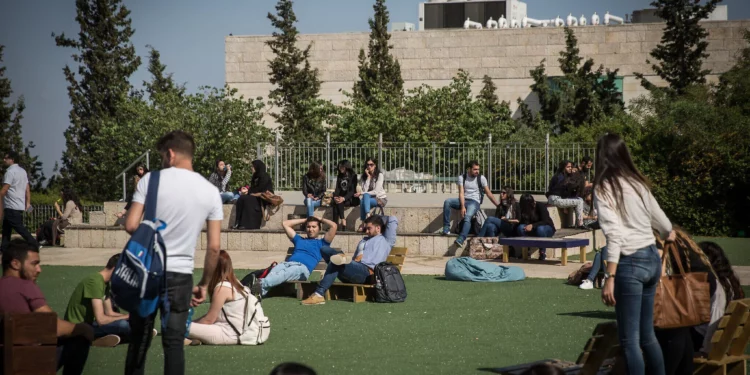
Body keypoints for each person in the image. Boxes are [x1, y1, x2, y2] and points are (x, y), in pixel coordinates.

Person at [123, 130, 224, 375]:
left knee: (139, 340)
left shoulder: (150, 180)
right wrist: (204, 283)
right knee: (174, 343)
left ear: (169, 154)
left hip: (148, 273)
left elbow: (131, 225)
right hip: (180, 277)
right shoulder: (210, 191)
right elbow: (214, 247)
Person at [595, 133, 674, 375]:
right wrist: (666, 233)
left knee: (630, 340)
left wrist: (610, 277)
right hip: (651, 257)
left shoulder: (604, 188)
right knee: (647, 336)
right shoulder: (638, 184)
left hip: (630, 264)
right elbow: (665, 225)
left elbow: (614, 235)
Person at [0, 238, 94, 375]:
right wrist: (83, 328)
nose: (39, 270)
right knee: (79, 337)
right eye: (34, 264)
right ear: (15, 264)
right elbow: (51, 326)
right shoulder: (26, 286)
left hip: (4, 362)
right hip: (28, 363)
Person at [301, 215, 398, 305]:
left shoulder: (386, 241)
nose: (366, 231)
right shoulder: (363, 240)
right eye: (365, 228)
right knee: (324, 249)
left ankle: (318, 294)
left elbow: (393, 219)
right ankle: (341, 259)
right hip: (354, 269)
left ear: (378, 228)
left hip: (367, 273)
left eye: (369, 228)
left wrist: (378, 218)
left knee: (336, 261)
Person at [64, 253, 144, 347]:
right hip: (78, 328)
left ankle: (132, 333)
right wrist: (126, 317)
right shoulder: (95, 281)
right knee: (123, 325)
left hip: (90, 324)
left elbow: (110, 313)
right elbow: (101, 320)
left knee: (128, 322)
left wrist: (131, 316)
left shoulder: (105, 283)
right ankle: (93, 339)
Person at [252, 216, 338, 298]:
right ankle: (259, 292)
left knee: (285, 273)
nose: (311, 229)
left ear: (319, 229)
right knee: (274, 272)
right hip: (287, 264)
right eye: (308, 227)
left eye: (314, 227)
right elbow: (285, 224)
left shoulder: (322, 243)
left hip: (302, 269)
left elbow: (334, 226)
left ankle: (260, 284)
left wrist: (320, 219)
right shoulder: (299, 240)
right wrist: (305, 220)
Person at [185, 250, 248, 345]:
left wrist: (189, 325)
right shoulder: (236, 283)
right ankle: (192, 338)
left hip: (229, 333)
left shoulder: (222, 288)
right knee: (187, 325)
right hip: (240, 331)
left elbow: (209, 319)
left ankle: (186, 339)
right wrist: (193, 324)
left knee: (177, 326)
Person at [695, 241, 744, 356]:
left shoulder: (716, 285)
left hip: (706, 341)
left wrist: (705, 350)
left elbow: (716, 316)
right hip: (725, 341)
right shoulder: (730, 280)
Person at [441, 161, 499, 246]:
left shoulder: (481, 178)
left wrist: (498, 205)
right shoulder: (462, 177)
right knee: (447, 202)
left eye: (478, 169)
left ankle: (461, 238)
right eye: (475, 169)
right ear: (469, 169)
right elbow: (461, 193)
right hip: (464, 200)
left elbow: (488, 193)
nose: (477, 171)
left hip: (474, 202)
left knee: (467, 217)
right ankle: (446, 227)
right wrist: (463, 206)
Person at [1, 150, 39, 251]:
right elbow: (27, 189)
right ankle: (3, 248)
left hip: (11, 205)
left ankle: (33, 242)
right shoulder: (23, 171)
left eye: (6, 158)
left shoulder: (10, 172)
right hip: (19, 205)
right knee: (6, 229)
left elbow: (5, 189)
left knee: (19, 227)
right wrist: (28, 203)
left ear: (12, 160)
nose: (4, 160)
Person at [233, 160, 273, 230]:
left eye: (253, 166)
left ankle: (250, 224)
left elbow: (260, 188)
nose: (252, 168)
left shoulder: (264, 176)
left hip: (263, 198)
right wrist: (247, 192)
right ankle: (238, 222)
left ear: (257, 167)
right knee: (241, 198)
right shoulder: (255, 176)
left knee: (246, 199)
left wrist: (249, 191)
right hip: (255, 196)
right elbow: (253, 188)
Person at [515, 194, 556, 260]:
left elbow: (545, 221)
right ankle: (526, 250)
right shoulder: (523, 209)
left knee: (540, 229)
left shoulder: (540, 206)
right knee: (520, 228)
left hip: (546, 228)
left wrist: (533, 225)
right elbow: (521, 221)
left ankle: (542, 252)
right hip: (532, 230)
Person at [546, 160, 585, 228]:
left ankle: (577, 224)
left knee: (578, 199)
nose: (570, 168)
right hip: (556, 199)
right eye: (568, 167)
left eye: (571, 167)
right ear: (563, 168)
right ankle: (580, 224)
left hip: (556, 198)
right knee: (580, 201)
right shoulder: (561, 177)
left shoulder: (561, 176)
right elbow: (562, 191)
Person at [355, 157, 387, 231]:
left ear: (375, 165)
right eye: (368, 165)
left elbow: (376, 192)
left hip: (380, 199)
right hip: (369, 198)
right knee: (364, 198)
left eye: (371, 164)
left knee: (364, 198)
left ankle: (364, 223)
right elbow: (365, 190)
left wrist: (361, 193)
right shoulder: (364, 177)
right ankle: (368, 217)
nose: (369, 166)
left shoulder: (379, 175)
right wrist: (368, 177)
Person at [331, 160, 359, 230]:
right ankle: (341, 221)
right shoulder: (339, 176)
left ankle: (335, 224)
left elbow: (352, 191)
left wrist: (343, 198)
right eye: (339, 167)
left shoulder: (353, 176)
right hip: (342, 197)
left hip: (351, 198)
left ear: (346, 167)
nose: (340, 168)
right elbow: (337, 189)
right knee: (336, 201)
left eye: (342, 167)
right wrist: (335, 197)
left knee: (339, 202)